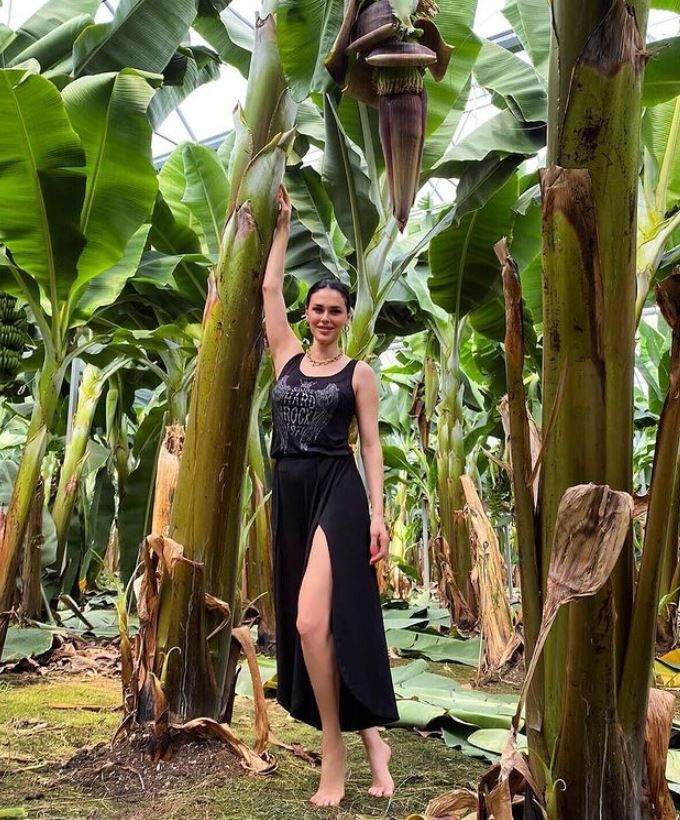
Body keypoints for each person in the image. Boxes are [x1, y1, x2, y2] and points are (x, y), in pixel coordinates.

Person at [262, 185, 399, 807]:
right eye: (315, 308)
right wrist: (282, 227)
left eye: (334, 311)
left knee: (311, 620)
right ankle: (375, 743)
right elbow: (268, 293)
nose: (322, 317)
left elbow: (370, 447)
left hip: (337, 490)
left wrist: (379, 513)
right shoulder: (286, 358)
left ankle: (334, 749)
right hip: (289, 492)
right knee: (331, 626)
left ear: (347, 318)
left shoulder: (359, 374)